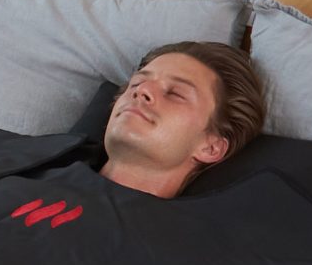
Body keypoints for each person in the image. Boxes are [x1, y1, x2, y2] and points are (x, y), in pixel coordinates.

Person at [98, 41, 269, 199]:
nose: (142, 90)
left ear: (211, 147)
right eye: (136, 83)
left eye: (175, 94)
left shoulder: (173, 231)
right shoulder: (71, 161)